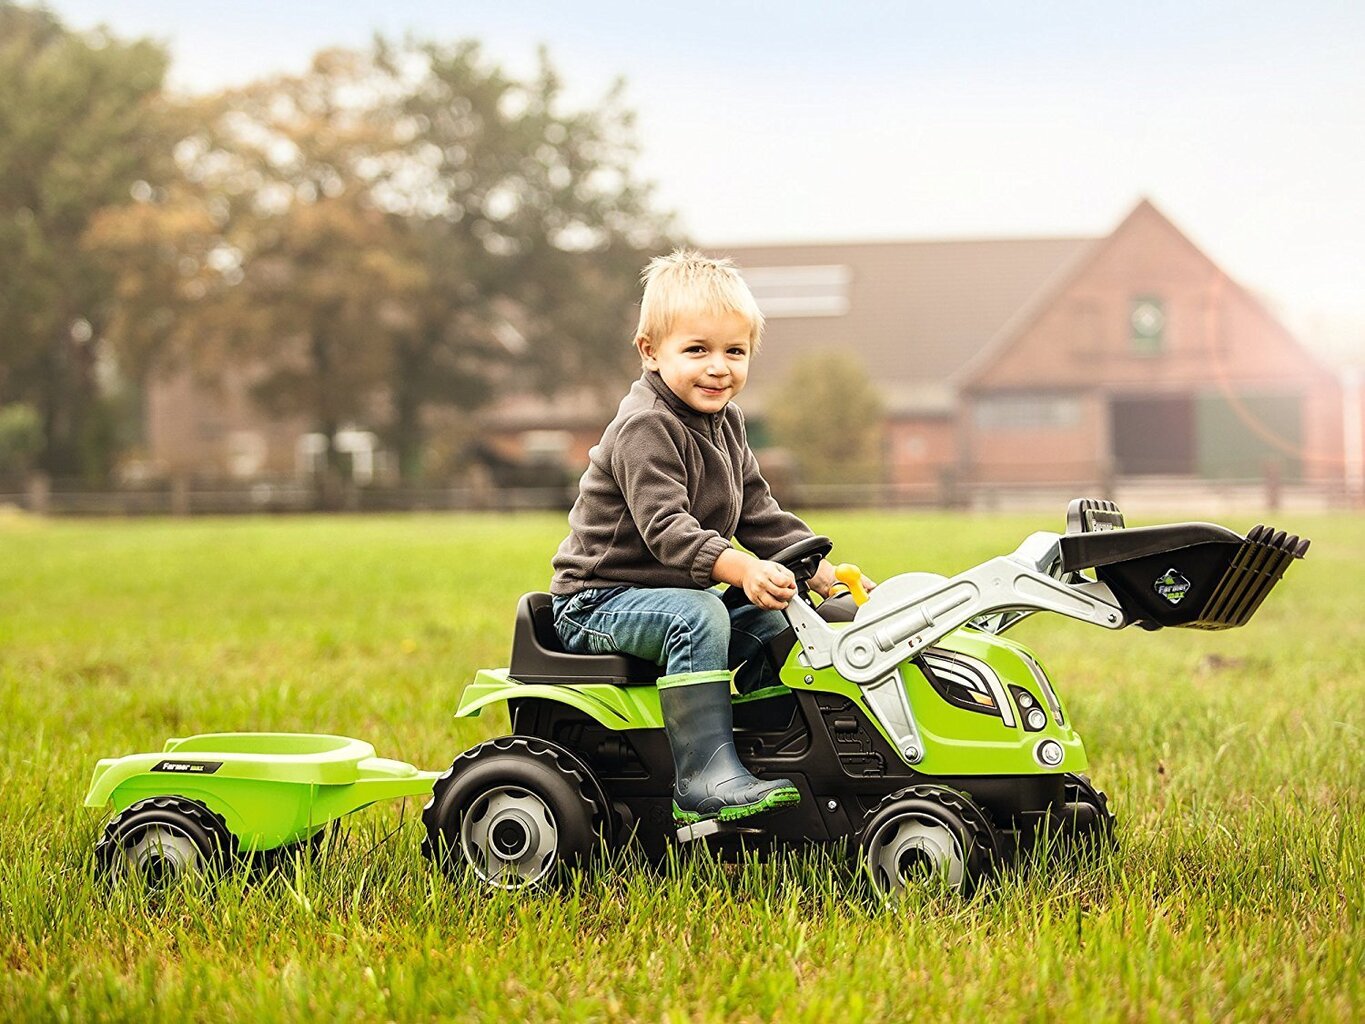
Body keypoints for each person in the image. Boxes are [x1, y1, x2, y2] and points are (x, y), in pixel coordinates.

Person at [550, 249, 871, 826]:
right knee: (699, 616)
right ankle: (702, 776)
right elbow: (667, 531)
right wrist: (743, 569)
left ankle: (769, 746)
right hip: (598, 601)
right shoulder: (645, 427)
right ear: (651, 352)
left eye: (734, 352)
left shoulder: (727, 423)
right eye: (697, 350)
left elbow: (756, 510)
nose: (718, 367)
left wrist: (818, 567)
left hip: (670, 596)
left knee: (777, 615)